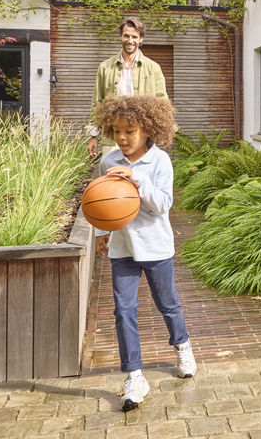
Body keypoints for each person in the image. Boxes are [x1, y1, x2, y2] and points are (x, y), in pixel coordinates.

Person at [93, 94, 195, 412]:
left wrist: (136, 179)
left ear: (148, 130)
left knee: (167, 304)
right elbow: (96, 198)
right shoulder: (108, 162)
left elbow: (163, 204)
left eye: (130, 131)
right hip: (122, 248)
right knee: (123, 311)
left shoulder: (160, 161)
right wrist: (100, 233)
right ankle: (134, 377)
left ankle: (182, 345)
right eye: (117, 131)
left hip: (156, 246)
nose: (122, 138)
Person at [87, 17, 168, 160]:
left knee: (140, 174)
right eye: (126, 36)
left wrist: (166, 131)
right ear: (120, 36)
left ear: (141, 39)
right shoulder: (105, 67)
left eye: (134, 37)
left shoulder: (153, 68)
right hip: (112, 138)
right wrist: (93, 136)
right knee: (112, 173)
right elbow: (97, 103)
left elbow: (163, 102)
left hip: (143, 138)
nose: (130, 40)